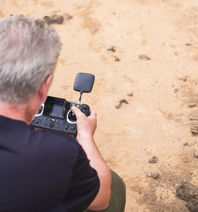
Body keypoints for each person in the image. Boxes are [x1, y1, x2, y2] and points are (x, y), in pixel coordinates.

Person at [0, 15, 126, 212]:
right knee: (114, 186)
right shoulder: (59, 152)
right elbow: (102, 200)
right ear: (44, 86)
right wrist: (85, 137)